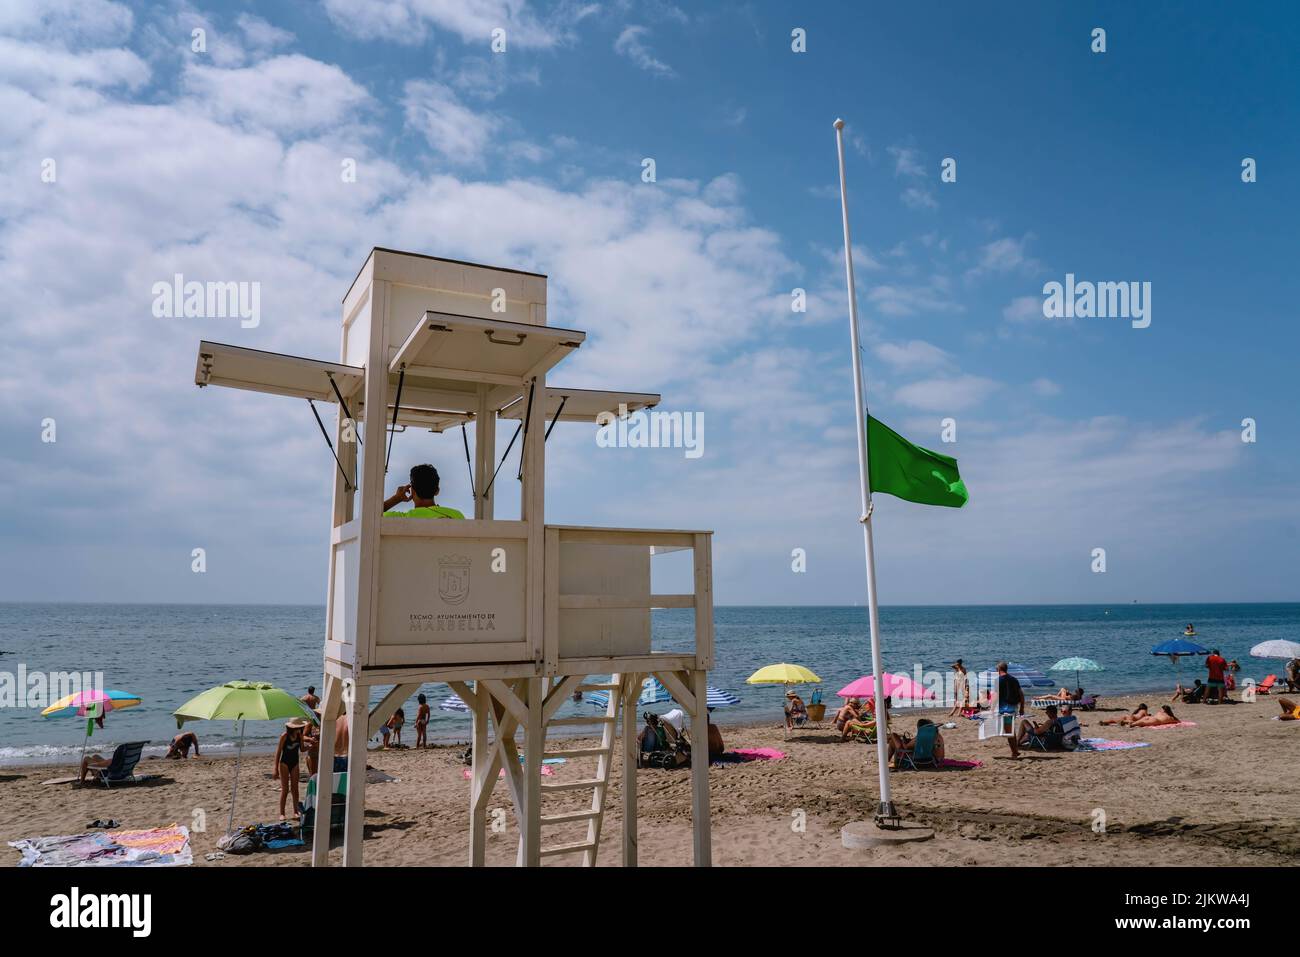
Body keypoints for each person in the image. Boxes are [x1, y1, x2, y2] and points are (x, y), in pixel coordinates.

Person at [383, 464, 465, 519]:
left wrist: (396, 498)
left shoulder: (402, 518)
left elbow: (372, 516)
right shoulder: (457, 516)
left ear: (412, 491)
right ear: (437, 491)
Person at [275, 719, 308, 821]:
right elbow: (278, 752)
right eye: (299, 727)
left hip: (295, 763)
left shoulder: (300, 736)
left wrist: (310, 746)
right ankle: (282, 813)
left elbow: (302, 749)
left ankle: (295, 812)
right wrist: (275, 768)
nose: (300, 729)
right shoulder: (284, 736)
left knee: (295, 789)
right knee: (285, 790)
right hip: (284, 763)